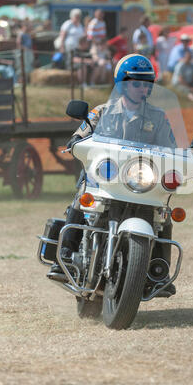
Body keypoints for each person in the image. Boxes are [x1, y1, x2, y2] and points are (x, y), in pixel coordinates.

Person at [48, 53, 176, 297]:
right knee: (82, 195)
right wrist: (75, 141)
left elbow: (171, 147)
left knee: (163, 214)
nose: (142, 88)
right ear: (122, 84)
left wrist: (183, 154)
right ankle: (64, 255)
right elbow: (79, 136)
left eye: (146, 84)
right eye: (136, 83)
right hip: (104, 178)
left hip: (138, 181)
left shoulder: (158, 118)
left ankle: (160, 271)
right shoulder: (102, 112)